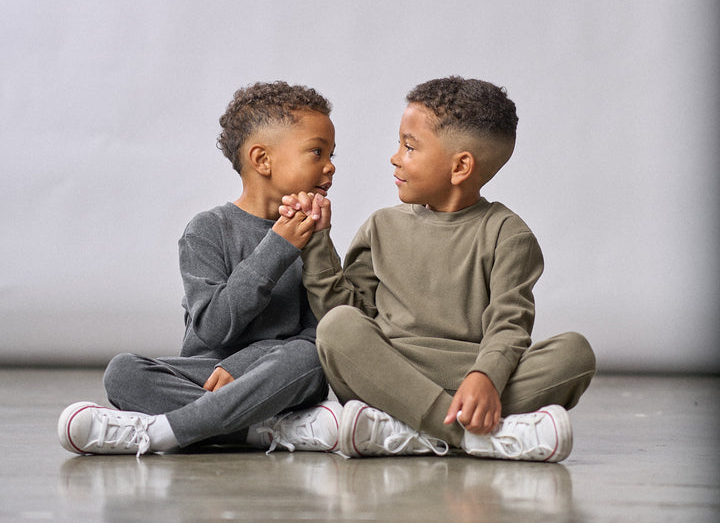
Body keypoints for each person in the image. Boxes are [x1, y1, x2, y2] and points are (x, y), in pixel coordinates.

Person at [282, 76, 596, 462]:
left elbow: (509, 325)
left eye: (409, 146)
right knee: (336, 329)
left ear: (460, 166)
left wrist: (486, 378)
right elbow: (348, 312)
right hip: (390, 375)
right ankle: (474, 437)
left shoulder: (508, 234)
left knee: (575, 353)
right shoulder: (381, 226)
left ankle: (408, 430)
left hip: (473, 379)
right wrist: (316, 241)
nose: (395, 156)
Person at [57, 81, 343, 458]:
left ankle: (164, 431)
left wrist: (245, 366)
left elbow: (319, 334)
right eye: (317, 152)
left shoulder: (313, 235)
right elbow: (213, 327)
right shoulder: (207, 230)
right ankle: (264, 431)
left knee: (309, 361)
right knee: (124, 372)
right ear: (262, 160)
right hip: (208, 374)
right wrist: (278, 247)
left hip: (276, 377)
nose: (331, 166)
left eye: (332, 154)